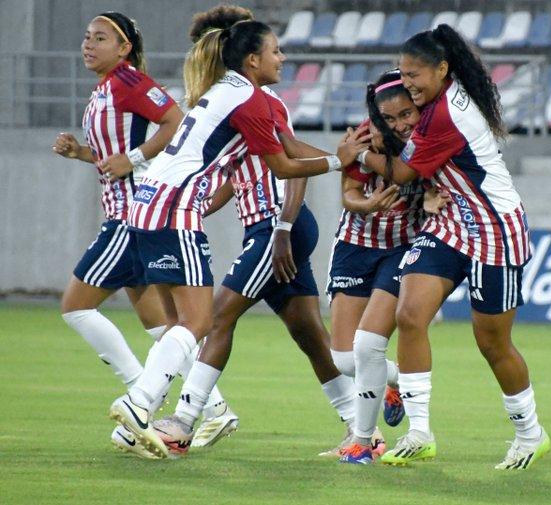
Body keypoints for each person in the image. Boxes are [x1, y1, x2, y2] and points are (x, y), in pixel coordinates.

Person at [108, 20, 368, 459]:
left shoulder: (224, 95)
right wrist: (342, 161)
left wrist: (287, 224)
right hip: (195, 213)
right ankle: (368, 417)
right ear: (252, 59)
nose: (282, 58)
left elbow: (281, 161)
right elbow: (283, 163)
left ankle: (177, 419)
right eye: (276, 51)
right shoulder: (249, 101)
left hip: (226, 217)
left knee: (212, 318)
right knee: (243, 325)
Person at [345, 25, 550, 470]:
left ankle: (530, 433)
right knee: (409, 315)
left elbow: (401, 174)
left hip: (496, 228)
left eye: (415, 74)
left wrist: (356, 155)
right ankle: (419, 431)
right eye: (403, 73)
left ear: (442, 69)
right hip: (454, 220)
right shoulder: (436, 99)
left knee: (492, 342)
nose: (408, 83)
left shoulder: (446, 115)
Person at [52, 11, 183, 459]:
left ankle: (141, 394)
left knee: (74, 307)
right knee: (162, 325)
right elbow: (114, 159)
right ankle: (209, 408)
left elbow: (175, 121)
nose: (89, 44)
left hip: (131, 216)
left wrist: (133, 156)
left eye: (101, 38)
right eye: (87, 37)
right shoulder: (105, 88)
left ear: (124, 48)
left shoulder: (128, 81)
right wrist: (83, 154)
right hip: (129, 211)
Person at [333, 70, 433, 464]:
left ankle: (363, 442)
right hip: (355, 246)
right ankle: (397, 382)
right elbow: (349, 194)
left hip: (401, 249)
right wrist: (367, 205)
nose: (399, 125)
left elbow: (426, 177)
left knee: (367, 345)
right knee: (344, 360)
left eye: (406, 114)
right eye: (389, 119)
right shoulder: (362, 137)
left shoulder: (430, 135)